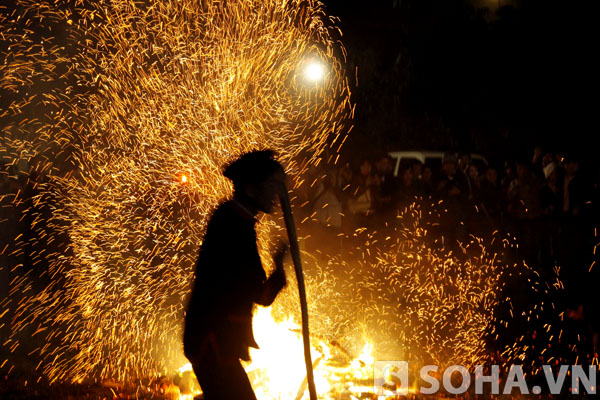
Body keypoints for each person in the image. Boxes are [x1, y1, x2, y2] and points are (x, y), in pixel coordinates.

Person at [183, 150, 288, 400]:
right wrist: (279, 271)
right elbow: (260, 295)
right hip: (215, 342)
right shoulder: (235, 227)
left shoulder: (232, 218)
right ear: (251, 189)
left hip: (214, 340)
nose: (277, 194)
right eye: (272, 185)